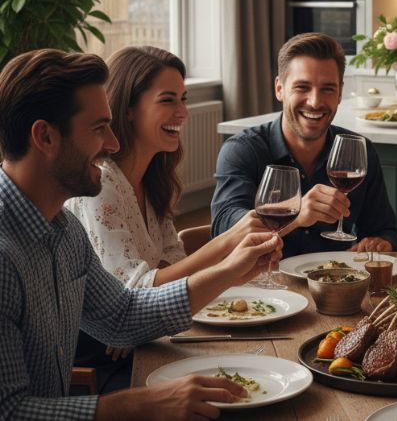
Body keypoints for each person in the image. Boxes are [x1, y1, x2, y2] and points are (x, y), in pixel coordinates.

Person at [0, 48, 283, 419]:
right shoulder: (5, 259)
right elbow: (9, 411)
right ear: (45, 136)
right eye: (99, 127)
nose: (113, 144)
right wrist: (139, 404)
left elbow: (123, 315)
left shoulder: (66, 232)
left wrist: (234, 270)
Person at [65, 47, 271, 391]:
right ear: (128, 110)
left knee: (255, 368)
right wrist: (228, 242)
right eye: (168, 100)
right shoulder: (102, 184)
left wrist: (158, 282)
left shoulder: (153, 180)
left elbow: (172, 261)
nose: (183, 112)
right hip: (103, 363)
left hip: (146, 339)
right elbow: (134, 295)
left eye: (183, 99)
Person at [211, 32, 397, 256]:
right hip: (260, 285)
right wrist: (297, 215)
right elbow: (224, 229)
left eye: (327, 89)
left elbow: (385, 230)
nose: (315, 101)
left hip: (333, 283)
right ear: (279, 89)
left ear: (339, 93)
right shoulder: (242, 150)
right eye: (302, 87)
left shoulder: (360, 151)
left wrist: (380, 242)